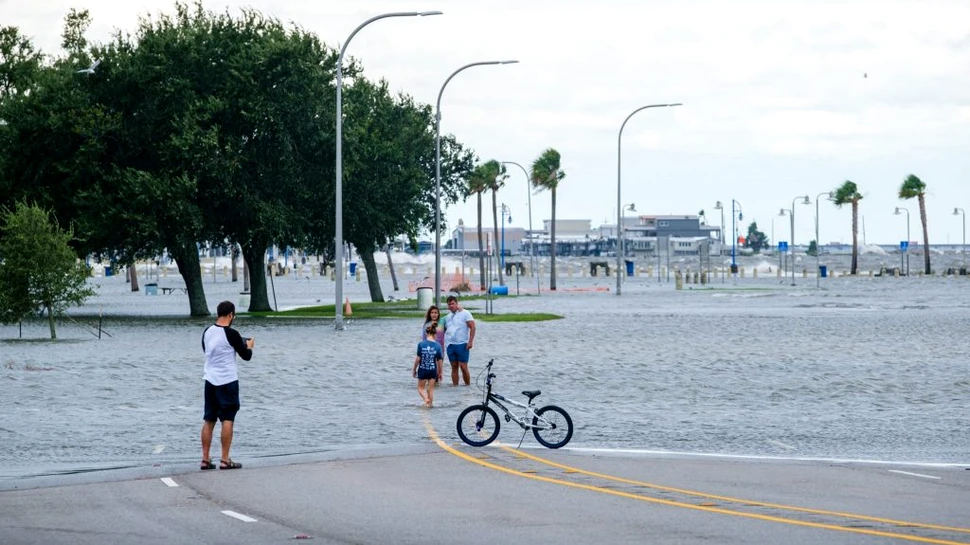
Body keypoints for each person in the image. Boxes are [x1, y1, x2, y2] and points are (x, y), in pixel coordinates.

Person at [200, 301, 254, 470]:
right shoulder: (232, 333)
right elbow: (246, 356)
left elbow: (207, 349)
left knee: (209, 419)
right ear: (231, 315)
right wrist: (249, 346)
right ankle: (225, 459)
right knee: (227, 418)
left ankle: (205, 459)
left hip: (209, 380)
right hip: (228, 381)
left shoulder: (207, 332)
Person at [443, 295, 475, 386]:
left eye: (453, 303)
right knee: (454, 366)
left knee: (463, 367)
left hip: (462, 344)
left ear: (457, 303)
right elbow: (443, 330)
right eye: (449, 304)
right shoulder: (447, 317)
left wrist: (470, 341)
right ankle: (455, 387)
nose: (451, 306)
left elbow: (472, 327)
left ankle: (467, 386)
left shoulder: (465, 313)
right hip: (450, 344)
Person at [413, 321, 443, 407]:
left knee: (420, 388)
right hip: (433, 370)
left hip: (423, 369)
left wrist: (414, 369)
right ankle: (430, 405)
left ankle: (426, 400)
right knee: (430, 389)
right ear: (435, 334)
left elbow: (418, 358)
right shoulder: (438, 345)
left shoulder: (421, 344)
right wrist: (440, 372)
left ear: (426, 333)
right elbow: (439, 360)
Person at [421, 305, 446, 382]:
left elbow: (452, 315)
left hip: (440, 350)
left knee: (439, 373)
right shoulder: (426, 325)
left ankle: (436, 388)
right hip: (430, 351)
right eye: (432, 312)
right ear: (429, 314)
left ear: (438, 314)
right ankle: (431, 388)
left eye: (436, 312)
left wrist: (460, 308)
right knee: (432, 373)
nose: (434, 314)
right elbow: (424, 339)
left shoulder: (442, 321)